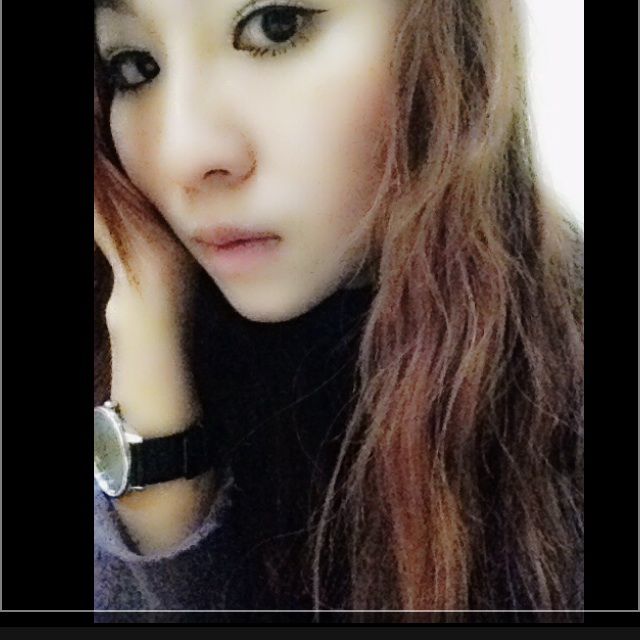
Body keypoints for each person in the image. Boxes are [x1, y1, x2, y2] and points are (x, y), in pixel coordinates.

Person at [93, 0, 584, 623]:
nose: (182, 153)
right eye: (134, 66)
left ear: (451, 37)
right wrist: (152, 411)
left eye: (275, 27)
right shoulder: (137, 335)